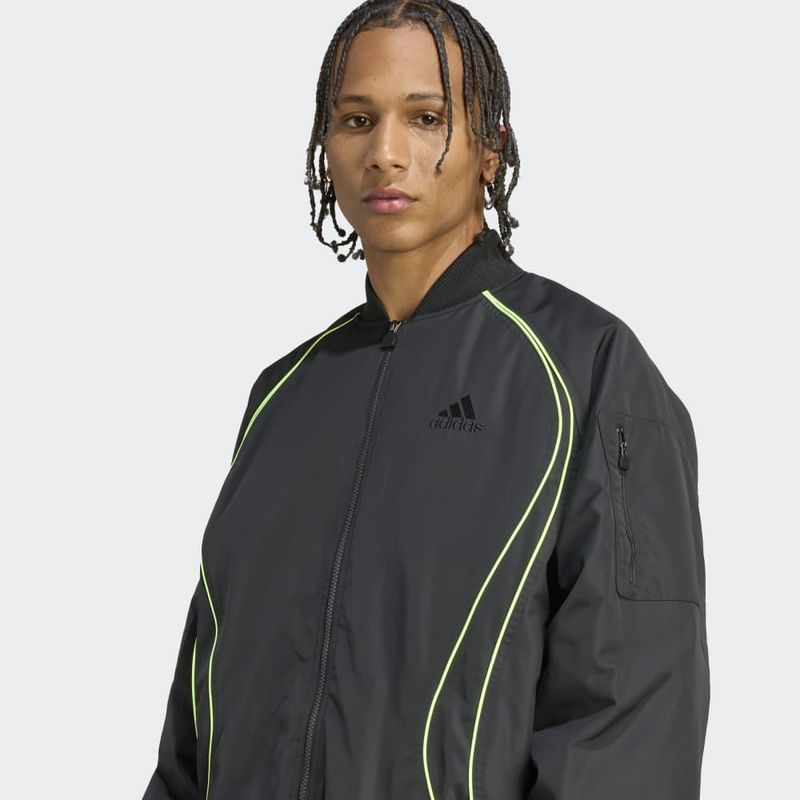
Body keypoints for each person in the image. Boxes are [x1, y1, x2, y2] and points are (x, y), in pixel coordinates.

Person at [141, 1, 710, 798]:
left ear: (490, 149)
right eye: (356, 119)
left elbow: (632, 723)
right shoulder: (284, 396)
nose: (385, 152)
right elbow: (197, 717)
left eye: (426, 117)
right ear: (326, 147)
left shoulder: (588, 371)